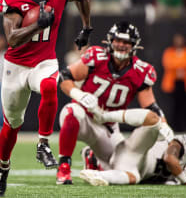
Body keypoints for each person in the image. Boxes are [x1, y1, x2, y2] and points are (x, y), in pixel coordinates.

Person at [0, 0, 93, 196]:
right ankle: (3, 166)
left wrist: (87, 28)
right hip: (16, 66)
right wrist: (38, 25)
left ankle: (43, 145)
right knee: (12, 124)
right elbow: (13, 39)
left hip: (44, 61)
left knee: (50, 86)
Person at [56, 21, 173, 185]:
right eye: (118, 40)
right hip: (85, 117)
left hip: (108, 127)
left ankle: (93, 157)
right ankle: (64, 167)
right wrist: (79, 94)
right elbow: (64, 77)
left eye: (126, 42)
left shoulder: (141, 71)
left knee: (118, 166)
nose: (121, 45)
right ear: (110, 41)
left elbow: (150, 106)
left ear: (134, 45)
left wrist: (164, 124)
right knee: (71, 111)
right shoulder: (96, 57)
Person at [79, 134, 186, 186]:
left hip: (139, 169)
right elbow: (169, 158)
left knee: (132, 179)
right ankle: (97, 157)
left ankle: (97, 167)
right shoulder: (185, 145)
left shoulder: (174, 180)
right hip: (141, 154)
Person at [161, 33, 186, 132]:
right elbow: (168, 64)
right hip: (174, 84)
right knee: (174, 107)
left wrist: (179, 66)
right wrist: (180, 66)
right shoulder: (169, 52)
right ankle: (174, 127)